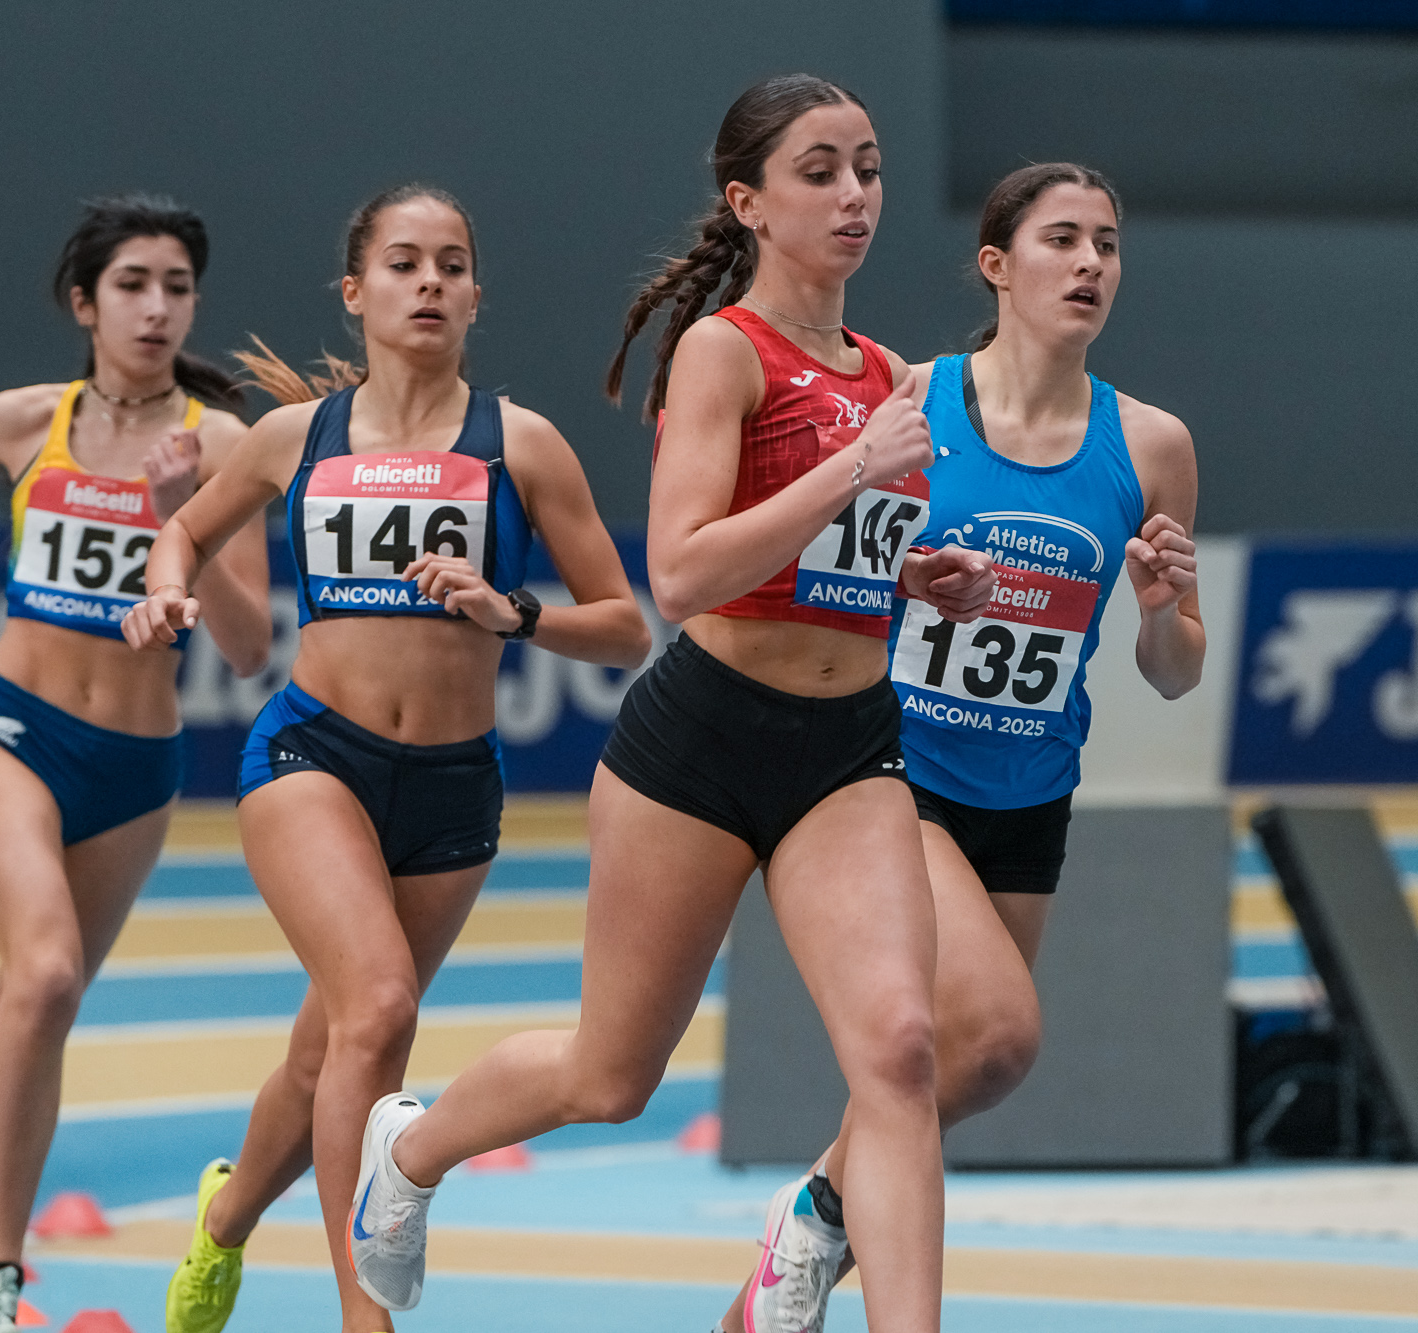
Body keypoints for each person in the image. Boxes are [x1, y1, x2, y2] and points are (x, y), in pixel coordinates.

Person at [341, 77, 996, 1333]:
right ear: (747, 202)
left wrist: (915, 574)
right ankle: (412, 1149)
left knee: (901, 1050)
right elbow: (684, 574)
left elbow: (818, 560)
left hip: (848, 749)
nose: (853, 195)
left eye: (866, 168)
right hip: (698, 745)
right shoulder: (722, 352)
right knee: (610, 1075)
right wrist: (855, 468)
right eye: (818, 171)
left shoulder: (884, 372)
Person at [125, 183, 652, 1333]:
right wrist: (164, 590)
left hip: (451, 789)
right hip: (312, 753)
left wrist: (513, 612)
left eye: (450, 265)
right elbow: (183, 529)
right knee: (375, 1009)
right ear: (356, 293)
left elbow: (625, 627)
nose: (429, 283)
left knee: (327, 1052)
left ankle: (223, 1217)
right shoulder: (296, 437)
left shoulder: (521, 443)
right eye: (404, 263)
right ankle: (363, 1318)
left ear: (474, 296)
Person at [732, 161, 1203, 1333]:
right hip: (892, 772)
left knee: (974, 1063)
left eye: (1105, 243)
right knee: (995, 1029)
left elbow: (1171, 669)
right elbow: (821, 571)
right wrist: (907, 580)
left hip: (1028, 791)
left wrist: (1158, 611)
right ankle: (838, 1253)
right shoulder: (906, 403)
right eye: (1060, 239)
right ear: (995, 265)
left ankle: (812, 1215)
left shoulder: (1150, 445)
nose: (1088, 264)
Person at [0, 196, 271, 1333]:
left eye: (176, 288)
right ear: (83, 302)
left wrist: (183, 515)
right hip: (11, 732)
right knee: (44, 975)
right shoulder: (24, 419)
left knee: (32, 1003)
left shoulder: (221, 443)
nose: (157, 308)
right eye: (133, 284)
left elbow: (248, 645)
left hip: (134, 768)